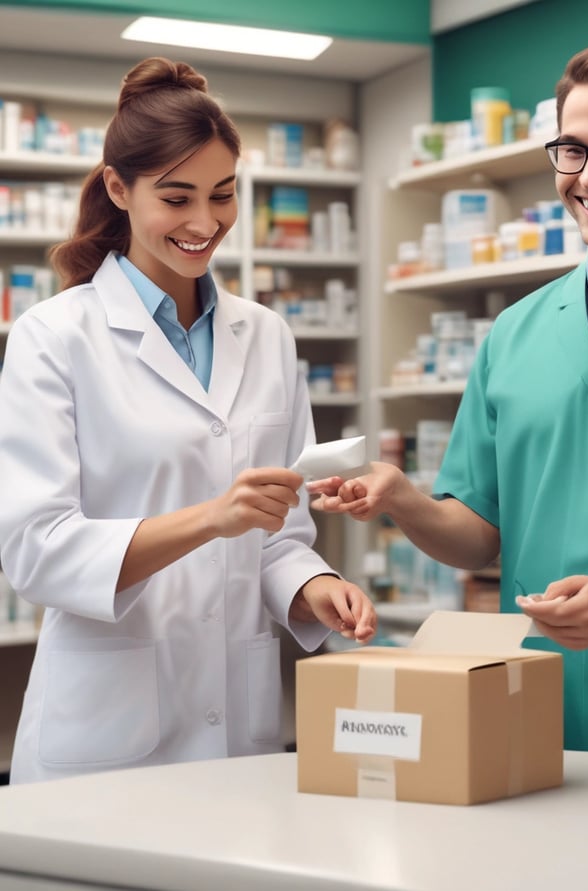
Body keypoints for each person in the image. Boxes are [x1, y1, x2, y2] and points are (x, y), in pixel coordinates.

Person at [308, 41, 588, 761]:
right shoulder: (514, 335)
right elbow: (478, 532)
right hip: (520, 719)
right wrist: (403, 498)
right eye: (571, 150)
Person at [0, 57, 377, 785]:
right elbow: (38, 551)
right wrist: (212, 518)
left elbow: (280, 532)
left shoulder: (266, 334)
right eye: (176, 198)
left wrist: (313, 586)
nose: (205, 223)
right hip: (105, 738)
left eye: (223, 194)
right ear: (119, 187)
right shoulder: (54, 336)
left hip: (241, 725)